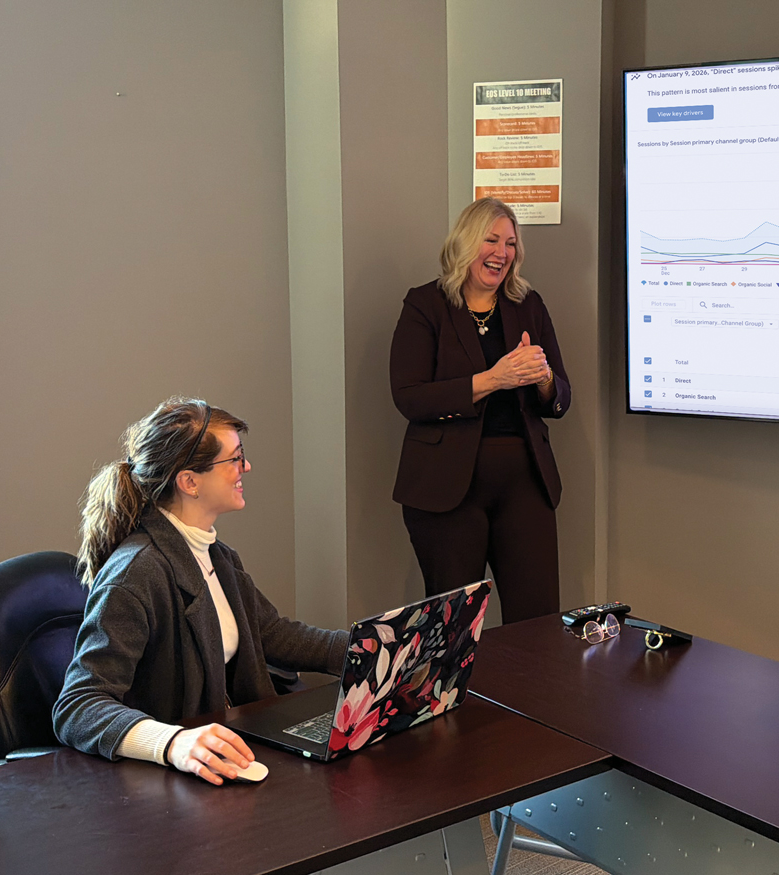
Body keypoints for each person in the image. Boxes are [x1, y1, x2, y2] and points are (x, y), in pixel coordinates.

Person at [54, 397, 349, 784]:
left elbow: (272, 634)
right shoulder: (135, 573)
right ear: (189, 482)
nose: (246, 467)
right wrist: (173, 742)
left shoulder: (216, 555)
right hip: (163, 780)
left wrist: (371, 647)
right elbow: (78, 706)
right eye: (235, 459)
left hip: (224, 754)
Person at [389, 197, 571, 623]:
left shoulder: (528, 304)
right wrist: (494, 378)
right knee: (454, 624)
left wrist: (542, 376)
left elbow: (560, 398)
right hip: (447, 486)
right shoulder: (425, 305)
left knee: (537, 621)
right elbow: (409, 397)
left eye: (510, 243)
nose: (501, 253)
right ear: (466, 243)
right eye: (491, 240)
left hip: (525, 481)